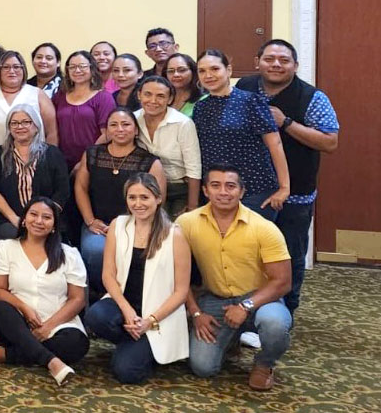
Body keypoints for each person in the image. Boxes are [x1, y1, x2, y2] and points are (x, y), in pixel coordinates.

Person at [236, 39, 339, 315]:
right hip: (250, 191)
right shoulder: (244, 87)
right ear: (258, 61)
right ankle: (250, 314)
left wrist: (287, 123)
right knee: (248, 256)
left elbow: (330, 142)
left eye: (284, 60)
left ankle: (286, 314)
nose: (276, 64)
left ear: (295, 65)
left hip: (295, 194)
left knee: (288, 256)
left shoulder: (311, 97)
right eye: (269, 59)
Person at [178, 164, 293, 390]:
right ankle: (230, 340)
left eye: (230, 186)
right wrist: (196, 312)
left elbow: (283, 281)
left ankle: (264, 363)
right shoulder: (186, 224)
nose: (223, 192)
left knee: (275, 324)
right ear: (205, 191)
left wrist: (245, 305)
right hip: (215, 299)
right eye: (216, 186)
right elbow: (176, 274)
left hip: (260, 299)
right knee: (203, 368)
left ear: (241, 192)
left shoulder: (264, 228)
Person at [84, 173, 191, 384]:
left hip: (157, 315)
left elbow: (181, 291)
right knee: (95, 316)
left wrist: (148, 322)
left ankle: (143, 346)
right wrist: (128, 311)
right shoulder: (118, 224)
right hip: (127, 306)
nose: (138, 203)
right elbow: (108, 274)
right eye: (132, 197)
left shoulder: (174, 235)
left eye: (145, 197)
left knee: (127, 372)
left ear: (158, 199)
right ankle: (133, 341)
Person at [0, 198, 88, 385]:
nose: (39, 221)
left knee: (78, 344)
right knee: (1, 308)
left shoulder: (69, 254)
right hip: (18, 322)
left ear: (54, 225)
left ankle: (7, 355)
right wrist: (24, 308)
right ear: (24, 219)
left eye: (46, 217)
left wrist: (48, 327)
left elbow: (77, 299)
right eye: (33, 214)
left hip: (58, 323)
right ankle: (52, 361)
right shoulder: (7, 247)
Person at [74, 108, 166, 299]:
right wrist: (90, 220)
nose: (120, 129)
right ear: (106, 130)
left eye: (126, 124)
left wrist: (134, 225)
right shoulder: (93, 154)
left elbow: (158, 198)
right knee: (94, 251)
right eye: (113, 125)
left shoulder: (149, 161)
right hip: (98, 223)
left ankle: (128, 298)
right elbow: (81, 187)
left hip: (136, 224)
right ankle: (101, 296)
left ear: (136, 130)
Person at [193, 49, 290, 222]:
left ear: (228, 70)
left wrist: (284, 187)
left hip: (255, 191)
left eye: (215, 69)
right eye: (202, 71)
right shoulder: (200, 107)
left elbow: (275, 144)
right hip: (217, 192)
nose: (208, 75)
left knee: (250, 247)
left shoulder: (250, 101)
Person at [0, 105, 70, 243]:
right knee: (13, 235)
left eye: (26, 122)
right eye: (14, 123)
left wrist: (43, 218)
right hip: (9, 219)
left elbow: (62, 191)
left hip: (46, 219)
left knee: (50, 239)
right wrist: (15, 219)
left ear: (36, 126)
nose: (20, 126)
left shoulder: (52, 153)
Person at [0, 50, 58, 165]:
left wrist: (50, 161)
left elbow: (52, 132)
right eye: (6, 67)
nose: (11, 71)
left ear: (23, 70)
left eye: (16, 66)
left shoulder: (37, 94)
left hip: (33, 163)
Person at [135, 76, 201, 216]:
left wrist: (192, 207)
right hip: (144, 188)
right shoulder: (132, 120)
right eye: (147, 94)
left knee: (174, 231)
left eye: (160, 96)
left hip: (179, 188)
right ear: (139, 95)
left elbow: (194, 167)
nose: (153, 101)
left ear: (170, 99)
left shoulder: (182, 123)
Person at [53, 50, 116, 169]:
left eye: (82, 66)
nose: (77, 70)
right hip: (61, 161)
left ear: (92, 69)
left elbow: (107, 133)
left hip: (93, 162)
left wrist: (86, 160)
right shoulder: (60, 96)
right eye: (72, 67)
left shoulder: (104, 98)